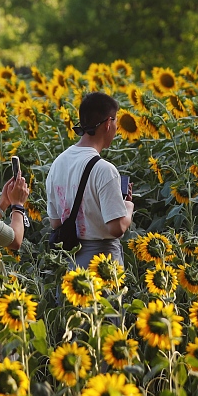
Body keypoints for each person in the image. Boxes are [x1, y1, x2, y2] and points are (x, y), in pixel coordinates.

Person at [46, 92, 135, 268]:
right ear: (108, 124)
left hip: (70, 263)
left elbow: (56, 222)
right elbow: (116, 228)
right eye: (116, 121)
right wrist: (127, 207)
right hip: (101, 264)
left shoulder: (58, 163)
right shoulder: (105, 170)